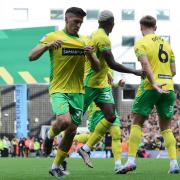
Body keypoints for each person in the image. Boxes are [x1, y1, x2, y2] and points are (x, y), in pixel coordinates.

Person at [28, 7, 100, 178]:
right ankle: (50, 135)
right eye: (76, 21)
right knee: (64, 120)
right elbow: (31, 56)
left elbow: (97, 68)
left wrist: (90, 55)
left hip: (78, 92)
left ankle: (55, 166)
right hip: (59, 89)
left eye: (81, 22)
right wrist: (47, 47)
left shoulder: (85, 40)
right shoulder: (53, 37)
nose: (78, 25)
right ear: (66, 19)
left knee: (72, 131)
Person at [77, 10, 143, 169]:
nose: (114, 25)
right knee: (74, 123)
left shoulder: (95, 36)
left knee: (112, 119)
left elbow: (108, 69)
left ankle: (93, 153)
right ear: (110, 22)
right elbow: (112, 63)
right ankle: (60, 157)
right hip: (89, 85)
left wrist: (115, 83)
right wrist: (135, 71)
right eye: (113, 22)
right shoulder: (102, 38)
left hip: (101, 88)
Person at [119, 15, 179, 174]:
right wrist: (163, 80)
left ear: (141, 28)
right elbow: (173, 71)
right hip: (169, 88)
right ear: (156, 27)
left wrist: (153, 82)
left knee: (137, 122)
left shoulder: (141, 43)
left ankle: (130, 160)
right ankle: (174, 163)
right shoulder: (167, 44)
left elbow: (145, 64)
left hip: (150, 87)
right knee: (166, 128)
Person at [74, 74, 125, 173]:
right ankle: (73, 138)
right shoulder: (90, 66)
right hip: (96, 109)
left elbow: (109, 84)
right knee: (92, 138)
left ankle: (118, 165)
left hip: (109, 107)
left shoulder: (107, 67)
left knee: (116, 134)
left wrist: (118, 84)